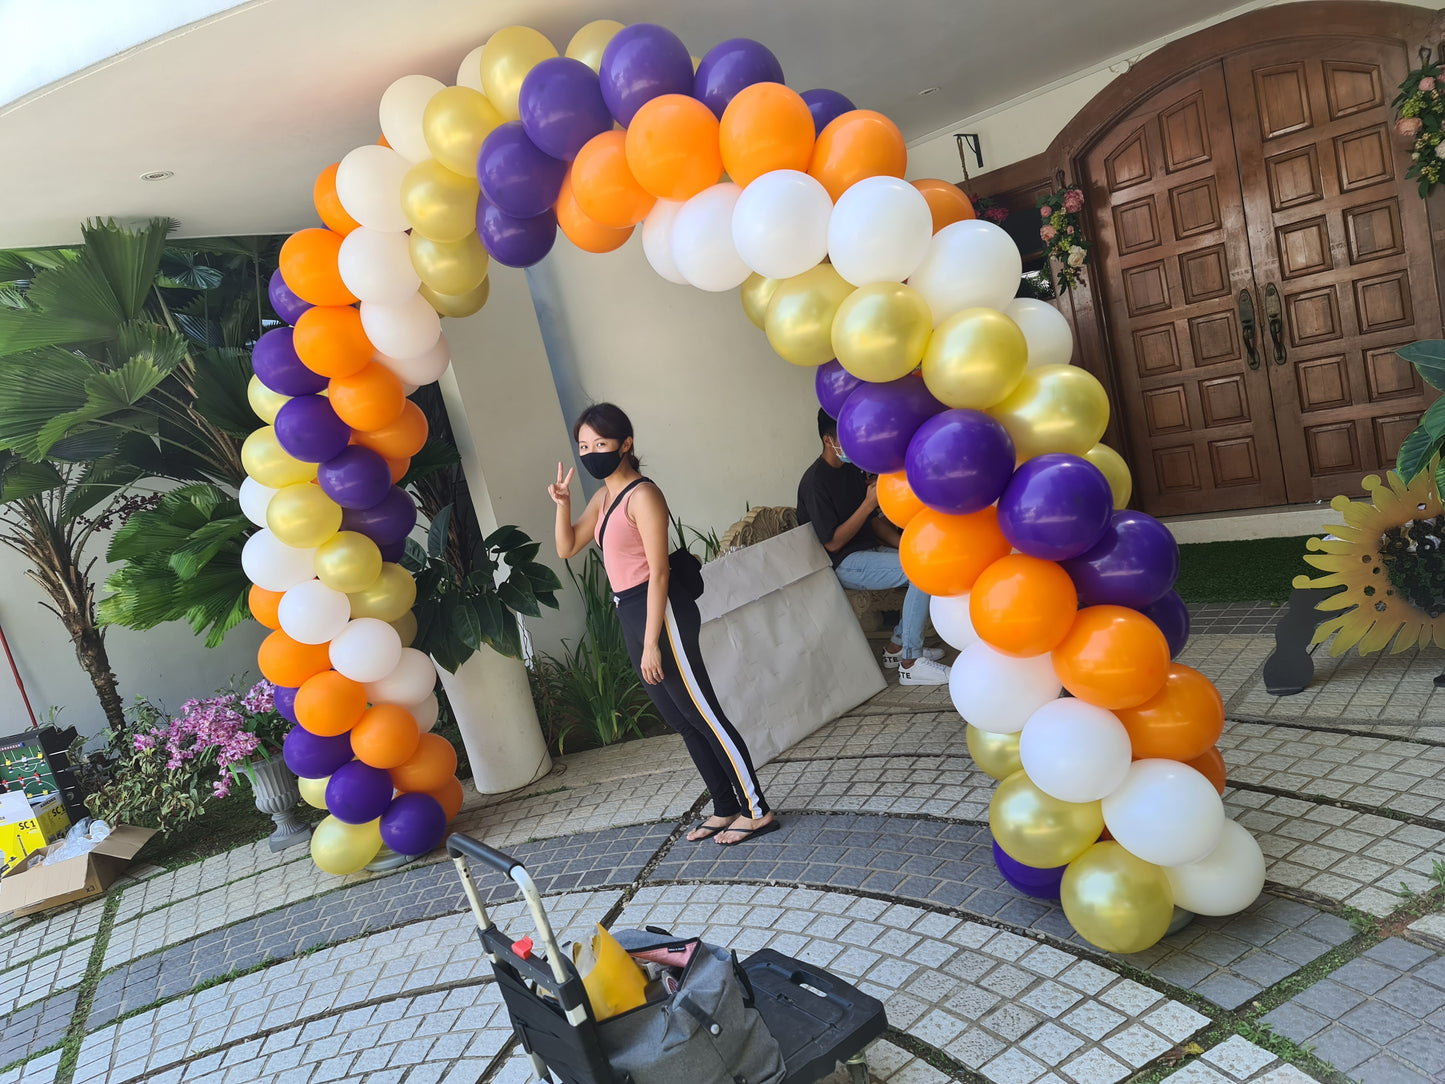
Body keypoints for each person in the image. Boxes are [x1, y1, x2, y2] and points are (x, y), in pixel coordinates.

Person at [548, 403, 777, 846]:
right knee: (680, 719)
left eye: (600, 444)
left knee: (704, 714)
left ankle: (756, 809)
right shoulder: (602, 498)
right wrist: (563, 504)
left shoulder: (643, 495)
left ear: (625, 444)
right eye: (584, 446)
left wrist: (653, 641)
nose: (590, 453)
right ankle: (725, 806)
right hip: (630, 612)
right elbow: (566, 547)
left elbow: (659, 571)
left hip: (662, 610)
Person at [798, 408, 950, 685]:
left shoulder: (851, 472)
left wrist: (907, 545)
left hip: (868, 552)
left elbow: (873, 523)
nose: (852, 445)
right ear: (828, 440)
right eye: (845, 438)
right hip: (841, 563)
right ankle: (910, 663)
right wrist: (868, 504)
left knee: (925, 563)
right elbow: (832, 543)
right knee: (919, 573)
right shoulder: (814, 482)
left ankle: (896, 647)